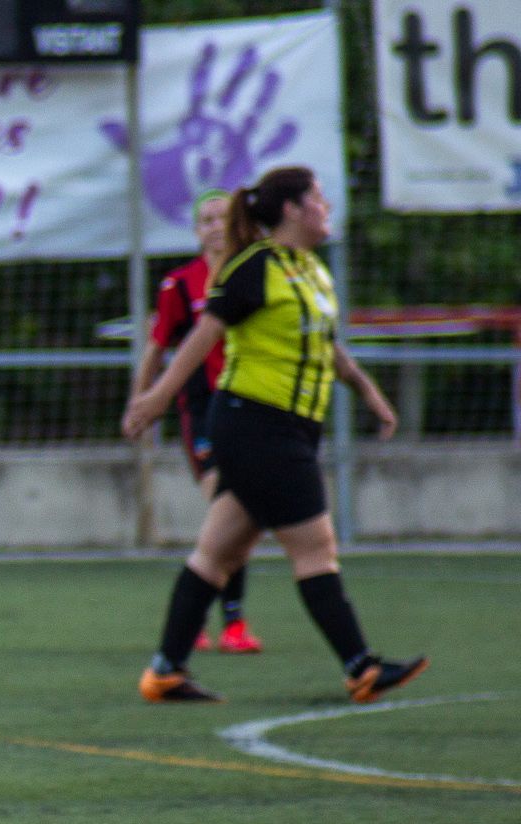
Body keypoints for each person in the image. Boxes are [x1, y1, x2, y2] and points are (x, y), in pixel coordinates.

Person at [123, 166, 425, 705]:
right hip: (257, 423)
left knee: (217, 552)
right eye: (317, 197)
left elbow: (324, 345)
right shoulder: (254, 267)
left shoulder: (307, 270)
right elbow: (205, 333)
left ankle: (165, 671)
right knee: (315, 547)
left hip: (288, 427)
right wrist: (159, 397)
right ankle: (361, 667)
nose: (326, 206)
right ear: (291, 209)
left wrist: (367, 391)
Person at [131, 190, 262, 655]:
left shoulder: (258, 276)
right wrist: (142, 400)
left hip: (254, 405)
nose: (214, 227)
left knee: (241, 516)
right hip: (204, 410)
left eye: (222, 218)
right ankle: (228, 622)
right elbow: (157, 345)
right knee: (226, 505)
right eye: (205, 219)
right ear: (195, 230)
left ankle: (218, 618)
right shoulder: (180, 285)